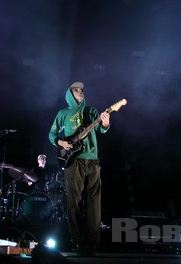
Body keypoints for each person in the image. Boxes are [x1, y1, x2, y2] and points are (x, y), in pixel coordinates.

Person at [48, 81, 110, 256]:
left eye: (82, 90)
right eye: (76, 90)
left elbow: (102, 130)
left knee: (94, 202)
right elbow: (52, 135)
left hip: (92, 160)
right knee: (73, 202)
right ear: (69, 94)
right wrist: (62, 142)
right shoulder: (63, 113)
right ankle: (79, 242)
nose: (80, 91)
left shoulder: (91, 111)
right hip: (73, 161)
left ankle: (92, 243)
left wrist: (105, 123)